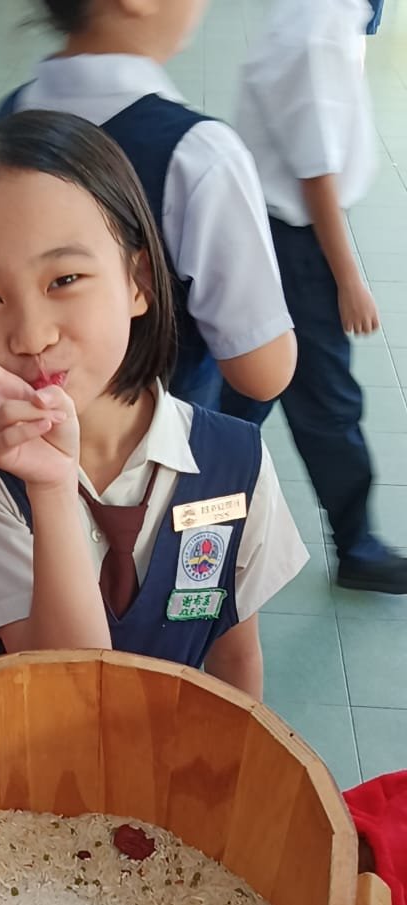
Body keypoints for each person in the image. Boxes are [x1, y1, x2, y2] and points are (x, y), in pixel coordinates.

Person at [0, 112, 308, 699]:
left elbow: (236, 655)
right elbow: (69, 689)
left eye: (64, 280)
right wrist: (50, 488)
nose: (32, 336)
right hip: (24, 755)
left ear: (138, 281)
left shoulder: (235, 461)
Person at [0, 0, 297, 410]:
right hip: (155, 439)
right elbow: (263, 373)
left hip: (29, 427)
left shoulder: (4, 122)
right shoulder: (198, 154)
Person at [220, 0, 407, 594]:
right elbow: (314, 170)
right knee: (321, 401)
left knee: (243, 392)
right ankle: (357, 548)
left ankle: (189, 516)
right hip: (294, 243)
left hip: (273, 231)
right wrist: (348, 278)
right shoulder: (319, 26)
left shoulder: (322, 12)